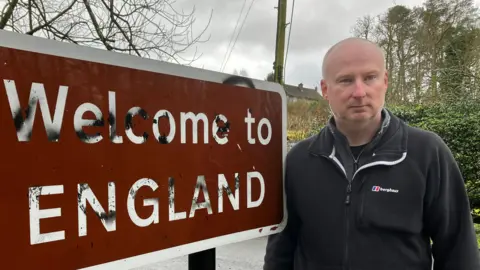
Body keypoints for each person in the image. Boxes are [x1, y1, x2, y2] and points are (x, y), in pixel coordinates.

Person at [263, 37, 480, 270]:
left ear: (385, 81)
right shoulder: (300, 160)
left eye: (370, 78)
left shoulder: (426, 153)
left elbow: (459, 250)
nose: (359, 91)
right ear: (325, 89)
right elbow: (280, 251)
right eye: (346, 80)